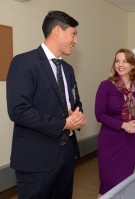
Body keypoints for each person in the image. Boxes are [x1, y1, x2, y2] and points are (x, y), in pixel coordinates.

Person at [6, 10, 87, 199]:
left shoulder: (68, 69)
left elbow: (75, 102)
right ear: (58, 31)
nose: (75, 40)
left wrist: (78, 115)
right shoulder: (24, 63)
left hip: (66, 156)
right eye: (73, 34)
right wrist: (63, 124)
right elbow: (18, 110)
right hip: (36, 160)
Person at [95, 48, 135, 197]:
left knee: (125, 184)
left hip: (129, 143)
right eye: (117, 61)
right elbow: (99, 115)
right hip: (109, 141)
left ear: (133, 66)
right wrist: (124, 125)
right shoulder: (105, 86)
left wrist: (133, 125)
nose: (120, 64)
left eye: (125, 61)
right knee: (107, 185)